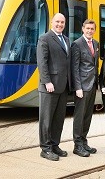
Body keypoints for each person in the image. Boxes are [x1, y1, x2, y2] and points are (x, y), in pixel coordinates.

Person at [36, 13, 71, 161]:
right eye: (57, 21)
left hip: (63, 86)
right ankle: (45, 148)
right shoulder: (44, 38)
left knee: (58, 119)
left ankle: (55, 145)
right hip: (49, 86)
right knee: (46, 119)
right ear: (52, 22)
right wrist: (47, 81)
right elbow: (42, 62)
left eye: (62, 22)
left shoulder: (67, 40)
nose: (60, 24)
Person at [71, 19, 99, 157]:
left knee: (88, 116)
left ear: (94, 30)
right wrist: (78, 87)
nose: (89, 31)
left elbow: (95, 65)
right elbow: (74, 68)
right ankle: (77, 145)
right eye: (87, 28)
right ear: (83, 29)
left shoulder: (96, 43)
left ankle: (83, 141)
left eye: (92, 29)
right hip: (82, 86)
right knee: (79, 116)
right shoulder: (77, 44)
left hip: (93, 85)